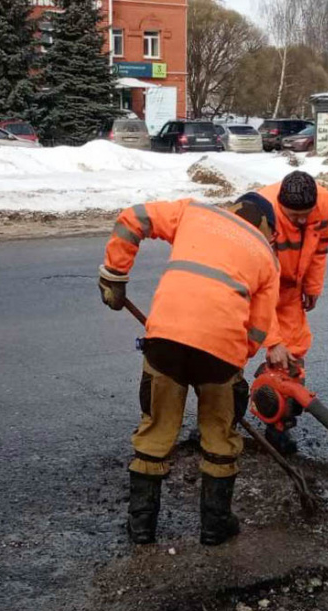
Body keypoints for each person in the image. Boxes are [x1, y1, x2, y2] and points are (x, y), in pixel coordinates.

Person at [98, 193, 280, 546]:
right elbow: (258, 328)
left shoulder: (193, 212)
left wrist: (115, 275)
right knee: (219, 437)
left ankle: (141, 529)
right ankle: (215, 526)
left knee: (156, 430)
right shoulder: (266, 257)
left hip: (165, 341)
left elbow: (133, 217)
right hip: (221, 355)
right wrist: (234, 366)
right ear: (265, 226)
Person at [257, 171, 328, 455]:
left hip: (290, 289)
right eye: (295, 216)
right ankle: (216, 423)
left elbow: (320, 251)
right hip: (253, 291)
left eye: (307, 214)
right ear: (280, 206)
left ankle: (278, 426)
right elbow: (250, 282)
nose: (302, 221)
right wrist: (271, 341)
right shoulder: (259, 212)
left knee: (292, 354)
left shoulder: (326, 206)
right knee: (228, 356)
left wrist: (313, 285)